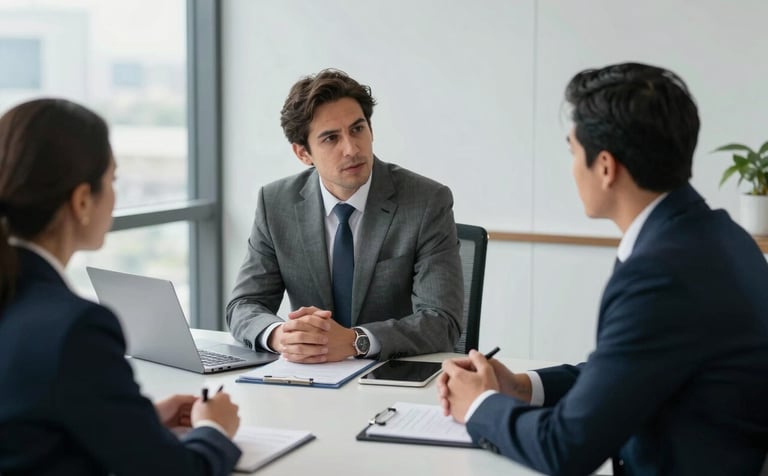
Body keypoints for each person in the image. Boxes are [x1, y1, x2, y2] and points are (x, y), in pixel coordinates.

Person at [438, 63, 768, 475]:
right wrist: (521, 387)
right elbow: (624, 370)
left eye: (573, 151)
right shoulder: (718, 236)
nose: (572, 166)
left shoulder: (660, 273)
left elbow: (566, 448)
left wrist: (480, 406)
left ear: (607, 167)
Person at [0, 98, 242, 475]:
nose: (115, 194)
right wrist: (215, 428)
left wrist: (136, 424)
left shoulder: (16, 298)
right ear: (82, 201)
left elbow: (34, 431)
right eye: (112, 180)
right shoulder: (75, 328)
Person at [227, 69, 463, 363]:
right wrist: (281, 336)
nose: (351, 149)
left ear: (371, 130)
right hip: (309, 379)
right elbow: (244, 304)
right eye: (330, 138)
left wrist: (357, 341)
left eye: (357, 129)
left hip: (393, 375)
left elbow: (442, 321)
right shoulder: (276, 204)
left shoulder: (426, 201)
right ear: (303, 153)